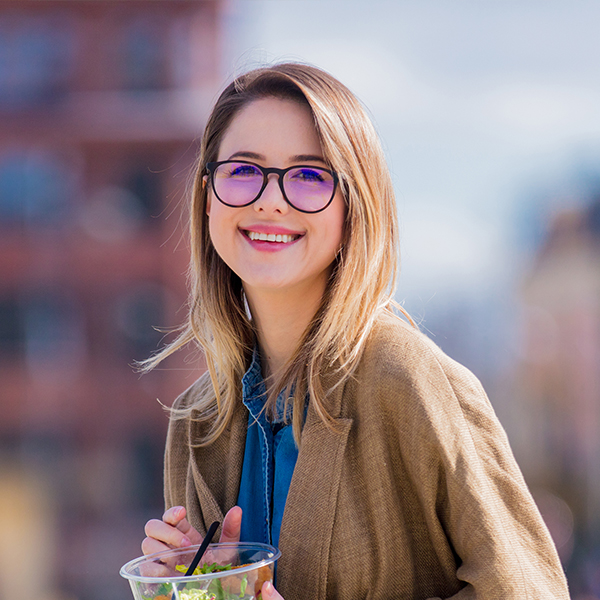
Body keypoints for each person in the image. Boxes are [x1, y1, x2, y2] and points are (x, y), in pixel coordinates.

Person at [140, 63, 570, 600]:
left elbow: (529, 590)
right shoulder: (196, 421)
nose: (269, 200)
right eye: (244, 170)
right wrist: (191, 588)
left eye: (310, 175)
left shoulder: (406, 377)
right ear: (208, 196)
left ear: (354, 205)